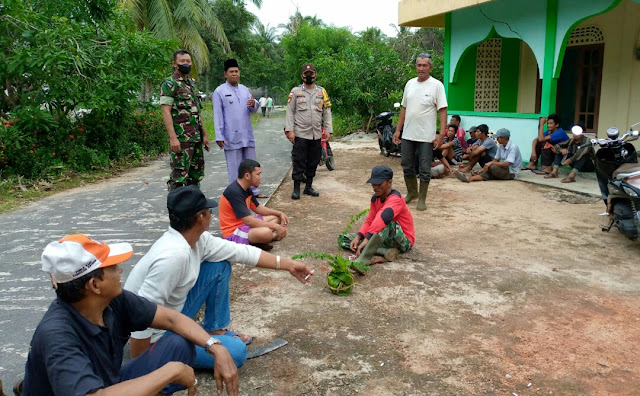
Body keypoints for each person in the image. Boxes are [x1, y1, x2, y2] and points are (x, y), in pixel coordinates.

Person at [124, 185, 313, 372]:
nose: (211, 214)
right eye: (208, 211)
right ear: (200, 217)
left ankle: (214, 328)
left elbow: (241, 252)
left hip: (173, 315)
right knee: (236, 352)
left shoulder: (197, 239)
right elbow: (143, 317)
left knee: (219, 265)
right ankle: (171, 351)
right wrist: (143, 369)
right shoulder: (172, 256)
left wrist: (288, 264)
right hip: (156, 338)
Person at [22, 234, 239, 396]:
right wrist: (170, 372)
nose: (120, 271)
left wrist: (215, 346)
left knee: (179, 343)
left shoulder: (113, 300)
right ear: (95, 285)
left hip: (108, 383)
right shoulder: (57, 336)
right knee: (170, 367)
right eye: (113, 267)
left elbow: (171, 319)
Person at [393, 52, 448, 211]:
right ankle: (412, 192)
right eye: (419, 65)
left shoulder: (437, 85)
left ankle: (422, 198)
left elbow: (442, 110)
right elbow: (404, 108)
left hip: (426, 136)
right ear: (416, 66)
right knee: (406, 164)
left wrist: (441, 134)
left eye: (425, 65)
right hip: (408, 133)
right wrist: (398, 130)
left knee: (424, 168)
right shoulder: (410, 84)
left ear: (430, 67)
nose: (421, 68)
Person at [339, 165, 415, 265]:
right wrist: (358, 236)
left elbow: (383, 218)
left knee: (388, 224)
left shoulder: (396, 198)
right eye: (373, 184)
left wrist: (366, 239)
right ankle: (383, 252)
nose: (375, 187)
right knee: (343, 239)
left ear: (389, 182)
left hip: (402, 240)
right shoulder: (375, 199)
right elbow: (370, 221)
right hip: (382, 238)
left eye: (379, 184)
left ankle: (364, 258)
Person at [213, 59, 266, 198]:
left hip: (246, 134)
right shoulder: (219, 91)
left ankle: (253, 193)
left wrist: (253, 103)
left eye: (236, 71)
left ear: (239, 73)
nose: (234, 74)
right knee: (234, 168)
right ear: (225, 74)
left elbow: (253, 109)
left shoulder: (244, 89)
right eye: (231, 72)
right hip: (231, 136)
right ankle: (236, 196)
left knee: (251, 165)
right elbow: (218, 115)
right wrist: (219, 136)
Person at [161, 49, 210, 191]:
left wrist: (205, 135)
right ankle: (176, 209)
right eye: (182, 61)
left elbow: (197, 111)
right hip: (181, 139)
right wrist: (173, 138)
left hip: (196, 138)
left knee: (196, 175)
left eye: (188, 61)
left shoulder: (192, 83)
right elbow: (166, 111)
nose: (186, 64)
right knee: (179, 176)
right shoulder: (169, 84)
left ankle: (194, 208)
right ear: (174, 64)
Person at [285, 63, 333, 200]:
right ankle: (296, 189)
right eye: (306, 74)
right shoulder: (295, 92)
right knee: (299, 161)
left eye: (311, 74)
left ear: (315, 75)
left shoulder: (321, 92)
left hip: (316, 134)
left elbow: (327, 112)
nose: (309, 76)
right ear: (302, 76)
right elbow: (290, 111)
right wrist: (290, 130)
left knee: (313, 161)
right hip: (300, 133)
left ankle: (308, 187)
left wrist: (328, 130)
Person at [219, 159, 289, 247]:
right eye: (258, 174)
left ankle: (261, 239)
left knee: (277, 218)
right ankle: (270, 236)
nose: (260, 177)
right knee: (266, 232)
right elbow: (249, 221)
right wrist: (275, 227)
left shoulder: (246, 188)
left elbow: (258, 208)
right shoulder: (235, 192)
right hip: (234, 232)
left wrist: (279, 213)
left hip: (245, 226)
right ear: (247, 175)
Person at [455, 128, 522, 182]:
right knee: (489, 171)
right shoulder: (501, 146)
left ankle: (473, 175)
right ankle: (469, 178)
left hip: (511, 172)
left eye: (498, 138)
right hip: (502, 169)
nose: (497, 139)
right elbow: (496, 159)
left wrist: (491, 163)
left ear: (503, 138)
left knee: (491, 167)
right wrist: (485, 167)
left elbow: (507, 164)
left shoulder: (513, 147)